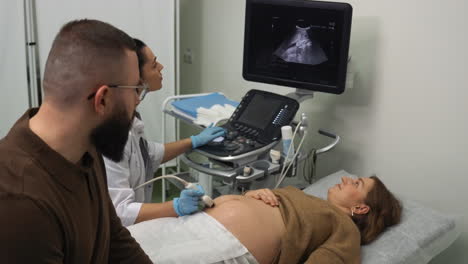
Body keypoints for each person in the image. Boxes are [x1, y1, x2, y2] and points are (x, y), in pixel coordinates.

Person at [0, 19, 153, 263]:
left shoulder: (87, 148)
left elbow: (113, 236)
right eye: (135, 89)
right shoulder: (20, 204)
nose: (137, 100)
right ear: (102, 100)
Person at [129, 175, 402, 264]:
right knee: (115, 247)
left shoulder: (346, 230)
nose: (344, 179)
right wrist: (252, 194)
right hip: (191, 224)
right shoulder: (308, 199)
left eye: (356, 183)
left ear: (363, 209)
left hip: (224, 245)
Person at [104, 38, 226, 227]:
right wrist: (176, 206)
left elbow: (148, 155)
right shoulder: (112, 134)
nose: (161, 67)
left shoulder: (130, 117)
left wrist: (193, 141)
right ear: (135, 76)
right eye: (153, 65)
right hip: (121, 234)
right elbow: (118, 212)